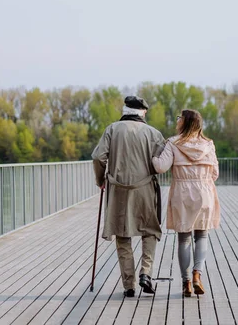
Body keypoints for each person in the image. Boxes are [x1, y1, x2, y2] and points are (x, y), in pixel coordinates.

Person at [92, 96, 166, 297]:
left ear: (125, 111)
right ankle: (146, 273)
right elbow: (160, 164)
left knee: (122, 234)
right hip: (145, 189)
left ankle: (129, 285)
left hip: (118, 191)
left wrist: (101, 180)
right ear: (143, 112)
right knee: (149, 230)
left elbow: (99, 157)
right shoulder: (153, 133)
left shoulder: (112, 129)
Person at [152, 109, 220, 297]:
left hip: (182, 192)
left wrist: (152, 157)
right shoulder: (208, 145)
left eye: (179, 118)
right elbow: (215, 173)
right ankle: (197, 275)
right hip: (204, 191)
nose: (177, 120)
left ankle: (186, 283)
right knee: (202, 236)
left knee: (184, 239)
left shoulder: (173, 143)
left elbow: (160, 167)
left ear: (186, 122)